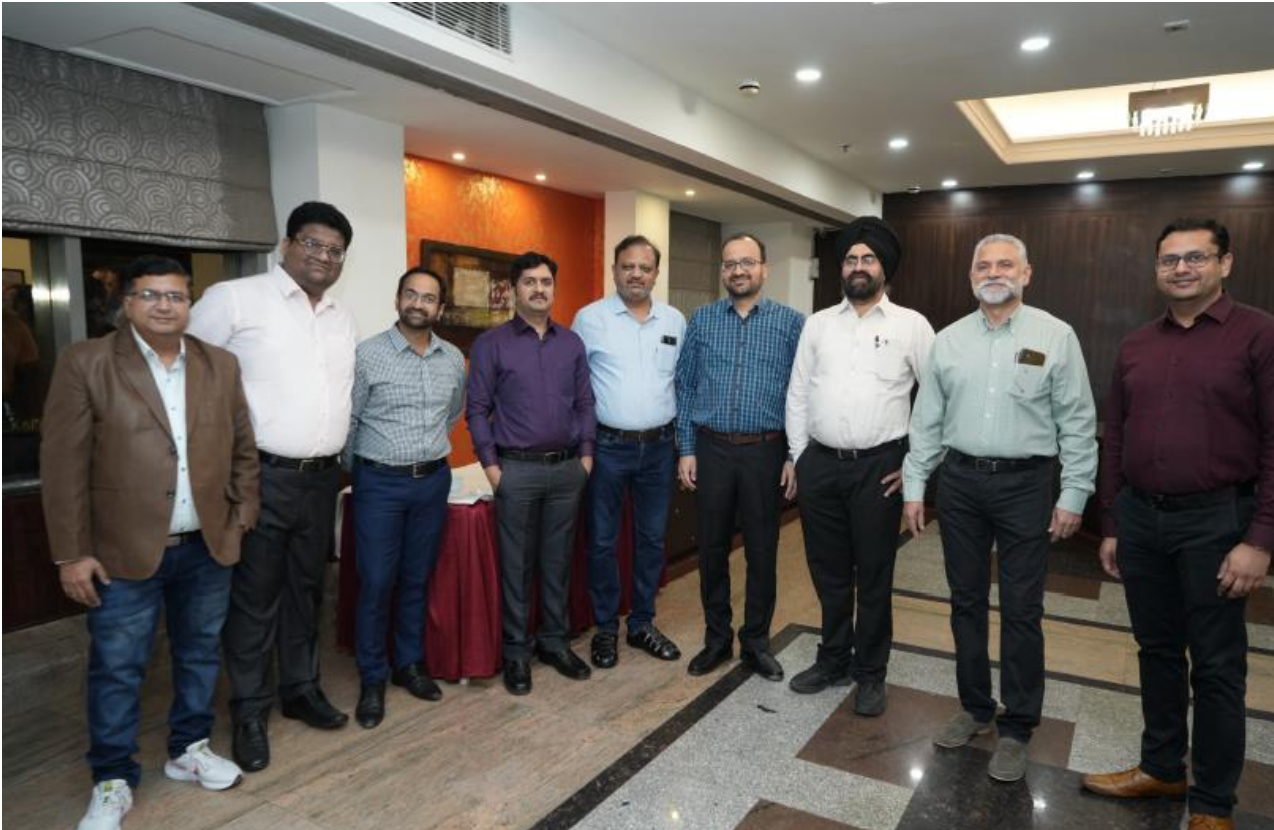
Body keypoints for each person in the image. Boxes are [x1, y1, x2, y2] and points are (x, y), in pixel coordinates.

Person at [42, 255, 258, 830]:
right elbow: (62, 466)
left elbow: (243, 448)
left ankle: (188, 749)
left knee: (200, 653)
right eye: (150, 294)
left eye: (176, 295)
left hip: (207, 545)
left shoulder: (220, 364)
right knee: (118, 667)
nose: (165, 305)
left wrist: (241, 515)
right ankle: (112, 778)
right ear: (127, 302)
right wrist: (72, 553)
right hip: (120, 550)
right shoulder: (87, 362)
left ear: (191, 303)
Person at [1081, 219, 1273, 830]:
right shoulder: (1137, 343)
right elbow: (1116, 437)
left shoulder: (1259, 334)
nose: (1182, 268)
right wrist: (1112, 523)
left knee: (1217, 666)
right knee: (1157, 651)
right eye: (1170, 260)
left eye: (1196, 257)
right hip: (1142, 521)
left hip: (1218, 522)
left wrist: (1260, 539)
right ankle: (1162, 767)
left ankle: (1213, 804)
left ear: (1225, 263)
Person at [902, 233, 1096, 783]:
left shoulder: (1055, 336)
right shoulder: (948, 340)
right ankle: (975, 707)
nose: (994, 273)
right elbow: (927, 419)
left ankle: (1018, 726)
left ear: (1026, 274)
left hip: (1026, 485)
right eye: (983, 266)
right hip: (960, 483)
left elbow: (1077, 420)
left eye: (1005, 264)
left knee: (1021, 608)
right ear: (971, 277)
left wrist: (1074, 493)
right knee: (965, 601)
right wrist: (915, 485)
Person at [188, 201, 358, 771]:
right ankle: (249, 711)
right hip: (259, 476)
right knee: (255, 598)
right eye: (312, 244)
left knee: (306, 591)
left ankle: (301, 689)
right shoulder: (234, 300)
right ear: (286, 245)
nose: (323, 257)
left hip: (322, 478)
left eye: (335, 250)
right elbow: (187, 377)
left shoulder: (341, 316)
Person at [785, 217, 934, 713]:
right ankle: (832, 659)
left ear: (884, 268)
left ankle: (871, 673)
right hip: (821, 466)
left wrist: (914, 463)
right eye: (850, 259)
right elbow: (798, 393)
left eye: (868, 258)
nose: (858, 266)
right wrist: (801, 457)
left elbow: (936, 399)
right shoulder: (818, 324)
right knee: (828, 574)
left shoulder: (911, 325)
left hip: (880, 469)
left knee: (873, 575)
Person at [675, 232, 804, 681]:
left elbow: (802, 393)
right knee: (711, 549)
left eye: (747, 262)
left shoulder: (791, 324)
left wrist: (794, 454)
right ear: (722, 271)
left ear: (764, 268)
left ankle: (756, 643)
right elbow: (685, 386)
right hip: (711, 449)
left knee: (762, 551)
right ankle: (717, 640)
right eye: (730, 264)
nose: (738, 271)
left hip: (766, 451)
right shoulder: (703, 320)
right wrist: (686, 448)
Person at [465, 251, 596, 695]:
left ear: (554, 288)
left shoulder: (571, 343)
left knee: (558, 562)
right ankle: (517, 653)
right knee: (517, 567)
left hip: (566, 470)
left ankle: (555, 643)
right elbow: (477, 410)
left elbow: (585, 403)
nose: (539, 289)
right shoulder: (491, 344)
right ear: (513, 289)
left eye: (546, 282)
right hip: (516, 471)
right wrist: (492, 468)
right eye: (530, 282)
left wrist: (586, 458)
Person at [346, 267, 465, 728]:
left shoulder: (452, 358)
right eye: (411, 294)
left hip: (432, 481)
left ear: (440, 307)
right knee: (377, 581)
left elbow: (451, 414)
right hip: (379, 484)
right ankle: (372, 676)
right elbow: (351, 419)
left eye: (428, 298)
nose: (419, 303)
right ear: (397, 299)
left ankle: (408, 663)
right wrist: (364, 469)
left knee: (417, 577)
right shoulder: (368, 354)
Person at [573, 235, 686, 668]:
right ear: (614, 270)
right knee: (602, 541)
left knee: (652, 539)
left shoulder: (675, 320)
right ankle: (606, 628)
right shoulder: (589, 319)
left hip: (659, 448)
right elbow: (575, 389)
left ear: (656, 273)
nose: (636, 274)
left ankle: (641, 623)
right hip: (607, 447)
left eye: (644, 267)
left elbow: (682, 384)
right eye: (628, 266)